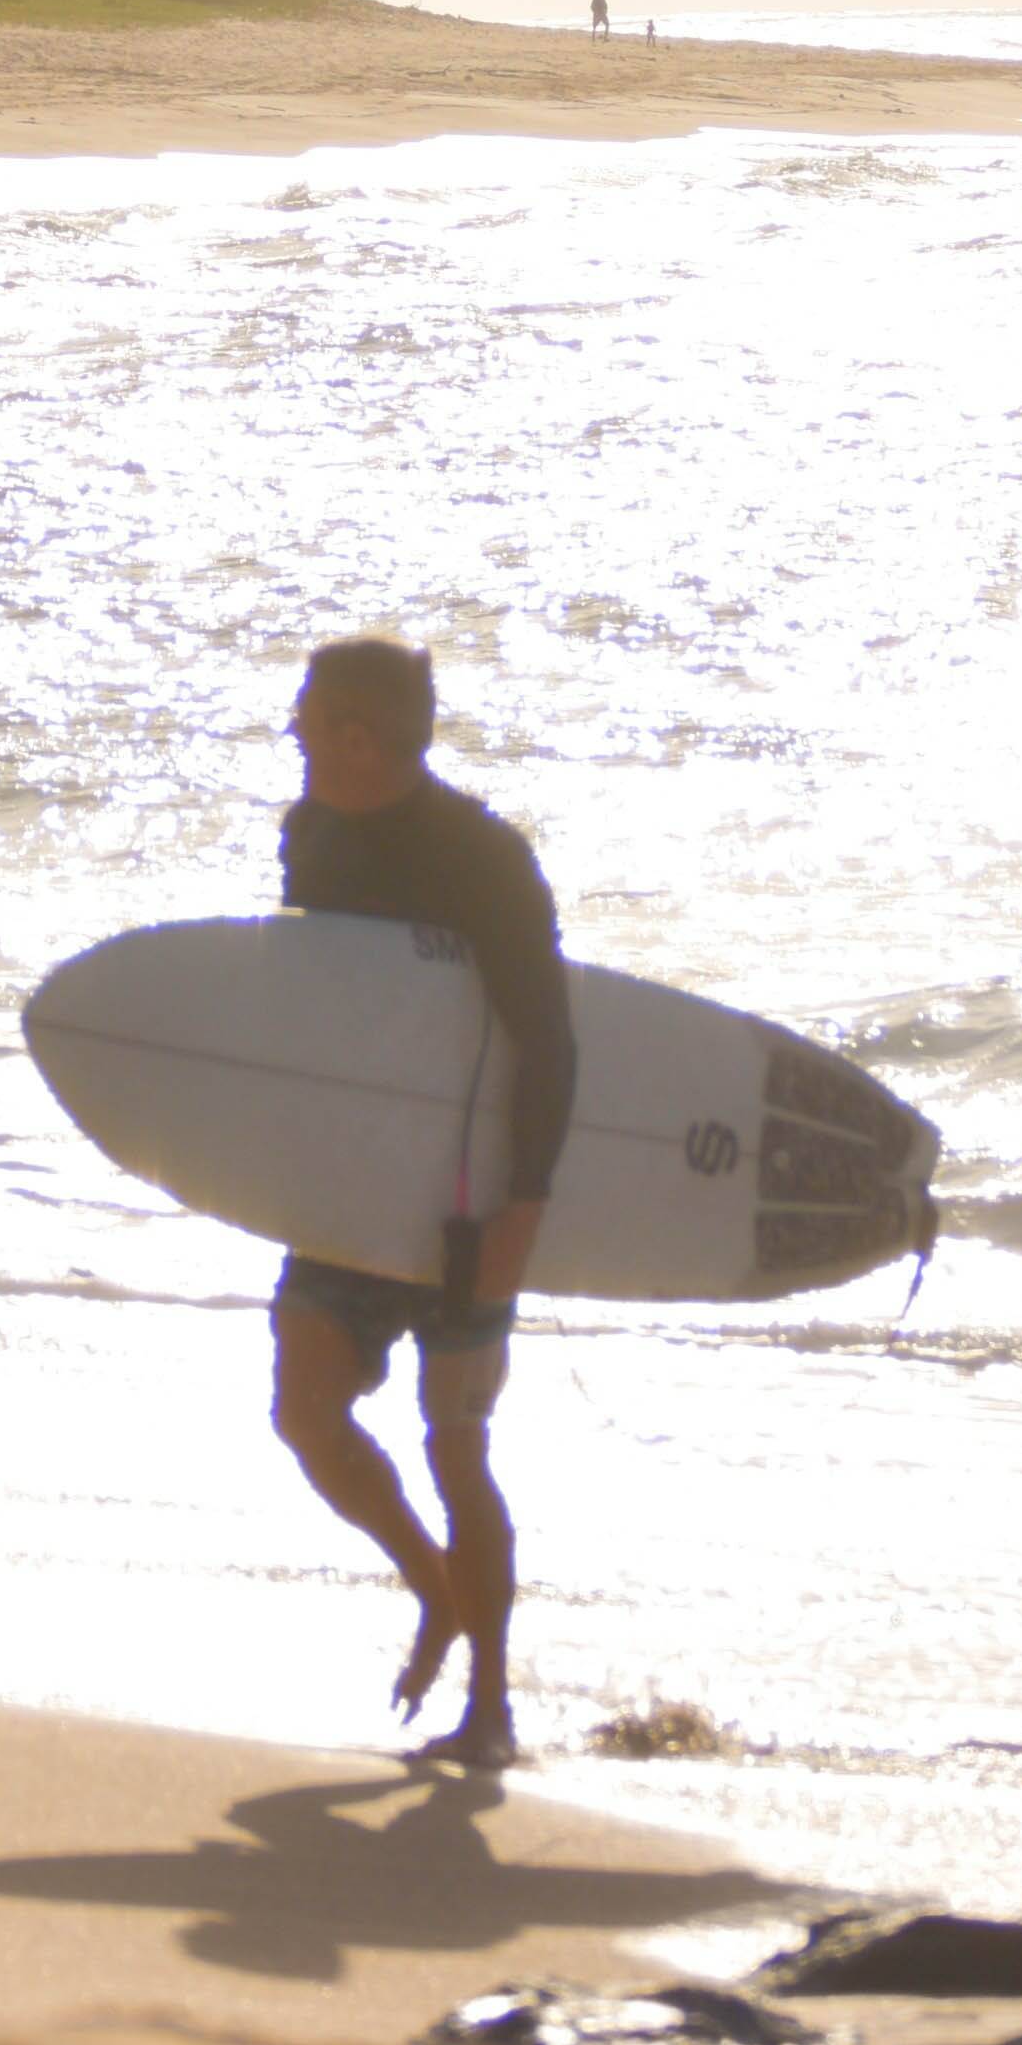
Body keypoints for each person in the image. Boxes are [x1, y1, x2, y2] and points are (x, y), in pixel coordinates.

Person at [264, 633, 572, 1765]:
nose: (292, 728)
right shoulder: (310, 833)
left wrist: (521, 1207)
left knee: (455, 1444)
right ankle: (436, 1586)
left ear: (357, 736)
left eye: (308, 711)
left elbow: (547, 1040)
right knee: (305, 1410)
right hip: (351, 1178)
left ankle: (488, 1710)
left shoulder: (483, 857)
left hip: (467, 1190)